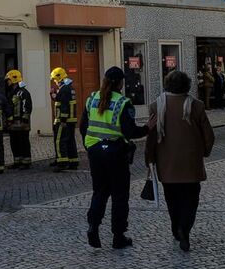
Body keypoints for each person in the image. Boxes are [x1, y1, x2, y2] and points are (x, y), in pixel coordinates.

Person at [79, 66, 153, 249]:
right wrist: (147, 128)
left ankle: (93, 227)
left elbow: (83, 127)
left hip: (95, 151)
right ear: (121, 83)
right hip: (116, 153)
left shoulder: (92, 99)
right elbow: (130, 132)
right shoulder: (123, 103)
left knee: (99, 192)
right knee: (119, 195)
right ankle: (118, 236)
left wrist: (89, 146)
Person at [146, 70, 215, 252]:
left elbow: (151, 136)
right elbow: (209, 135)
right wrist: (204, 152)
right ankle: (184, 228)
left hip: (167, 164)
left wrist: (150, 158)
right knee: (191, 199)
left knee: (172, 198)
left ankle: (176, 227)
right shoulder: (197, 106)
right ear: (187, 86)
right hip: (191, 164)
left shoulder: (156, 106)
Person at [50, 67, 79, 172]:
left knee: (60, 141)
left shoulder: (64, 89)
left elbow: (64, 106)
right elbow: (60, 100)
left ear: (59, 78)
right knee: (70, 141)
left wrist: (62, 120)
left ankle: (62, 162)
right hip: (71, 120)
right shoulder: (69, 88)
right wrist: (53, 96)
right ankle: (73, 161)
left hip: (64, 121)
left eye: (54, 79)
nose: (54, 81)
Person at [4, 69, 33, 170]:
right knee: (14, 142)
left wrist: (24, 119)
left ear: (14, 79)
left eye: (8, 79)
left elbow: (27, 106)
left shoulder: (23, 92)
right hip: (13, 124)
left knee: (23, 142)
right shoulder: (12, 92)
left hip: (21, 123)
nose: (7, 82)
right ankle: (17, 161)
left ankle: (26, 162)